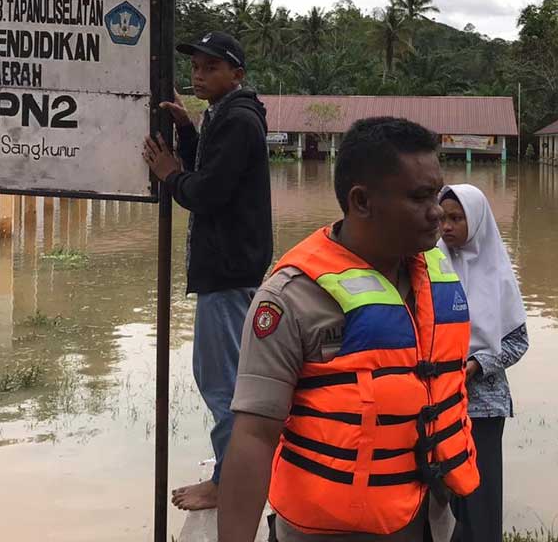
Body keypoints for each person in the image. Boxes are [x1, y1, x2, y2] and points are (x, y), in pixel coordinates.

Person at [217, 117, 480, 542]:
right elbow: (253, 436)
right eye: (419, 197)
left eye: (437, 193)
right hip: (328, 529)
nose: (437, 212)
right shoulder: (290, 297)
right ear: (361, 202)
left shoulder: (434, 271)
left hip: (430, 519)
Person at [142, 31, 273, 511]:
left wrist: (170, 174)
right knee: (227, 377)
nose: (198, 75)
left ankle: (226, 483)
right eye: (195, 67)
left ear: (236, 75)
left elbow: (208, 192)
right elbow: (214, 168)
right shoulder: (227, 115)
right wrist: (191, 130)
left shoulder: (238, 120)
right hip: (233, 268)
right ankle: (232, 472)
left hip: (230, 270)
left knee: (221, 382)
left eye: (211, 68)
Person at [437, 184, 528, 542]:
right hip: (439, 400)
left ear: (475, 221)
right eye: (443, 217)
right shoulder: (432, 266)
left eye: (456, 218)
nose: (446, 226)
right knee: (442, 494)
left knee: (481, 493)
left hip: (483, 406)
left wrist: (477, 363)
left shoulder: (498, 274)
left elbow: (518, 341)